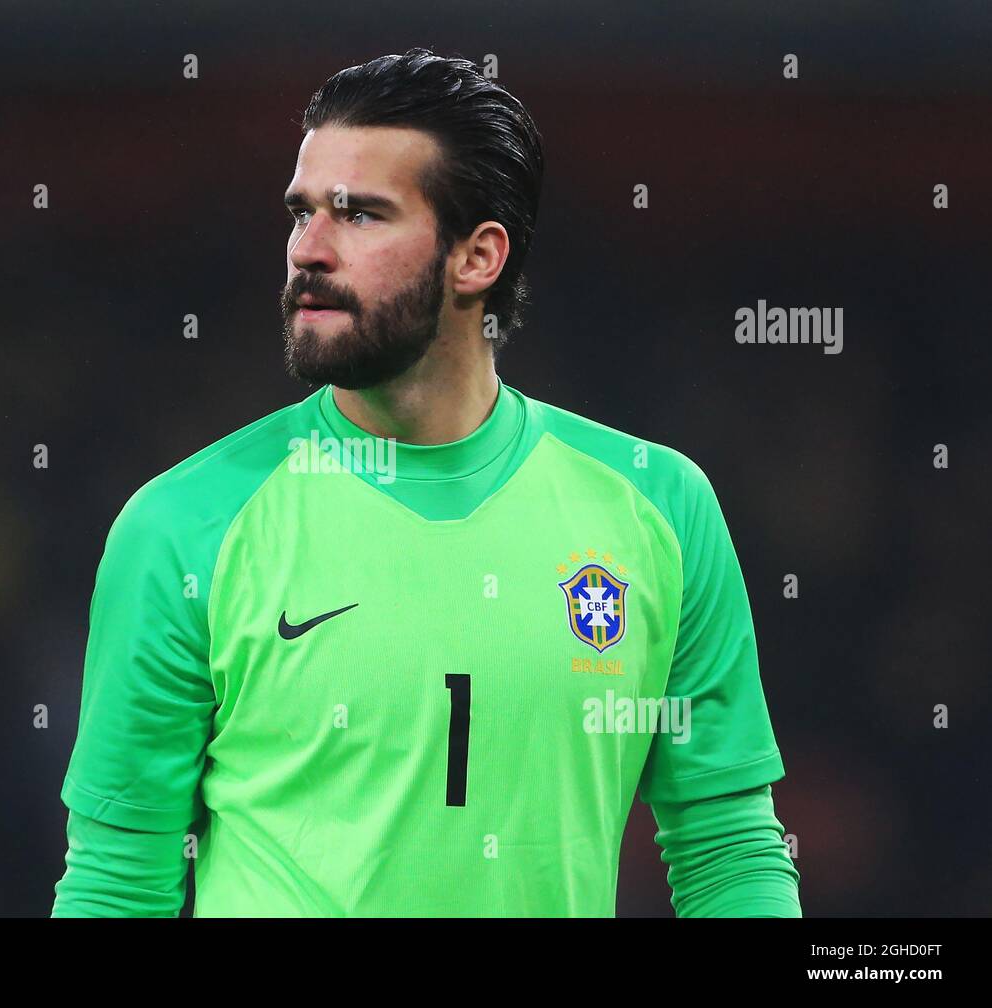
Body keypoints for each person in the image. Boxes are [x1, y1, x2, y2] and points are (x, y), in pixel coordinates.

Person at [51, 48, 800, 917]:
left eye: (359, 216)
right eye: (300, 215)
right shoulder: (184, 526)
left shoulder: (659, 508)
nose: (308, 251)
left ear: (476, 258)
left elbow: (728, 853)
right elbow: (116, 884)